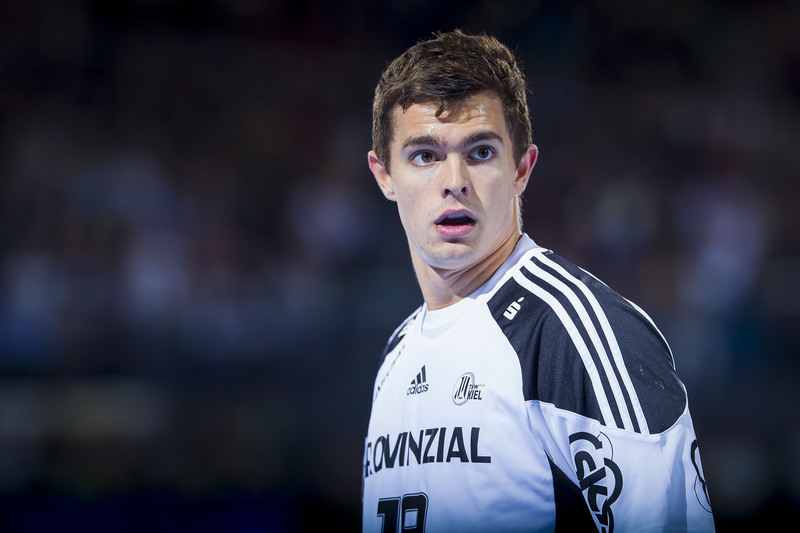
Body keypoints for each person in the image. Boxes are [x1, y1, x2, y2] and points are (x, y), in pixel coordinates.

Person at [362, 30, 714, 532]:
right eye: (425, 155)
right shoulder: (396, 354)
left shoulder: (577, 331)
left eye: (480, 152)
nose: (454, 181)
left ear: (521, 169)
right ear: (385, 176)